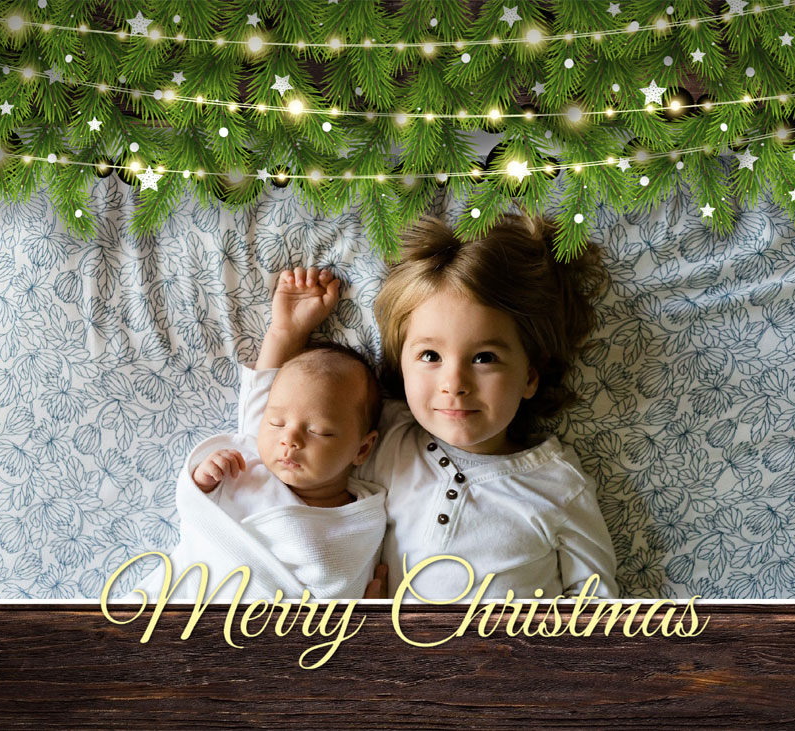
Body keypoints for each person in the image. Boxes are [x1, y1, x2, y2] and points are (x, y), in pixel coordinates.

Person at [241, 215, 618, 603]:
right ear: (400, 364)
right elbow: (270, 439)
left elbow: (599, 604)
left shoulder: (558, 486)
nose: (453, 383)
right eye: (430, 355)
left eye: (485, 357)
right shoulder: (382, 441)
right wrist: (285, 335)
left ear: (530, 377)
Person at [134, 308, 387, 603]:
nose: (289, 439)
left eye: (319, 431)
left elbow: (346, 582)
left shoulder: (362, 519)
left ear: (362, 449)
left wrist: (368, 608)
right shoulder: (246, 464)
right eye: (276, 423)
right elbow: (200, 519)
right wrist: (203, 481)